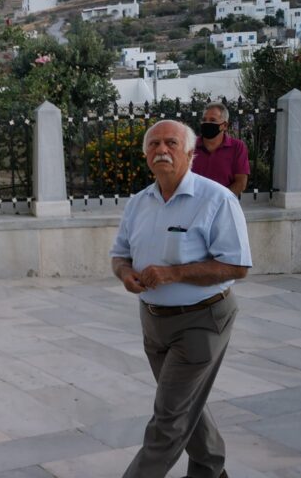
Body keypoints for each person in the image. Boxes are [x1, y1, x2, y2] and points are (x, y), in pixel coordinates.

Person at [111, 119, 251, 478]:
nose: (162, 150)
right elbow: (120, 254)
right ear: (145, 155)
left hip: (201, 320)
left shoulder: (216, 199)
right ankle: (210, 468)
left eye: (171, 143)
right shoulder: (140, 202)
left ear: (190, 153)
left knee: (168, 418)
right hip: (153, 321)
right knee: (186, 405)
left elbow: (237, 266)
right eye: (154, 144)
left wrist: (174, 274)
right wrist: (126, 274)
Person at [192, 101, 250, 197]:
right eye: (204, 119)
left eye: (212, 120)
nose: (207, 123)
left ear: (225, 125)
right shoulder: (190, 146)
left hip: (224, 203)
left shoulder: (237, 147)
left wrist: (217, 200)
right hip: (193, 202)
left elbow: (241, 183)